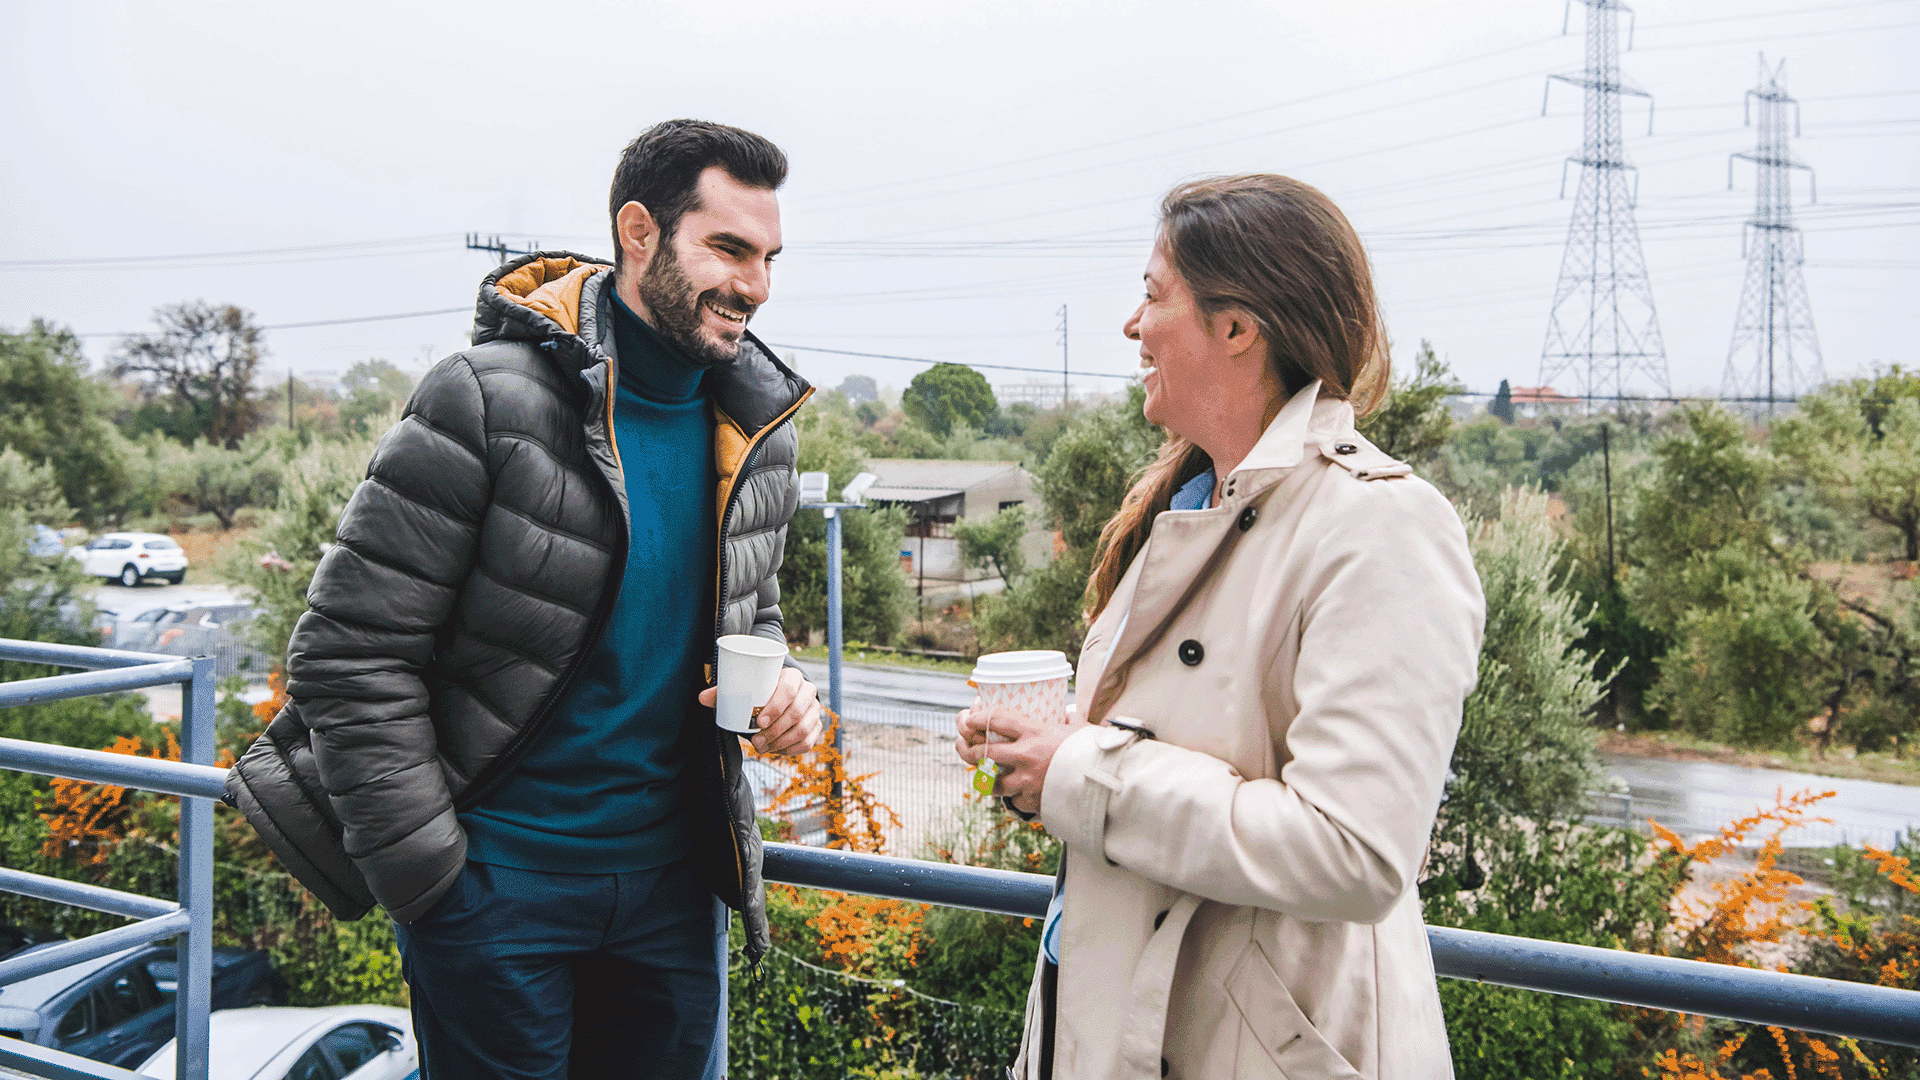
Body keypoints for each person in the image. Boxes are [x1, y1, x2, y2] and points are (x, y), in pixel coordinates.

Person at [228, 119, 825, 1079]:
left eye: (769, 258)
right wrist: (433, 882)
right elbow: (349, 654)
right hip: (494, 893)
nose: (756, 285)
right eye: (728, 248)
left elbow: (752, 620)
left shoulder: (759, 429)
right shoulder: (483, 400)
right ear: (640, 233)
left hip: (675, 896)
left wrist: (785, 688)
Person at [956, 174, 1485, 1079]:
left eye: (1154, 294)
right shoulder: (1191, 505)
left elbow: (1353, 852)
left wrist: (1078, 772)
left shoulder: (1381, 524)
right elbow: (1160, 758)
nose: (1133, 324)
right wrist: (1041, 762)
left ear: (1237, 328)